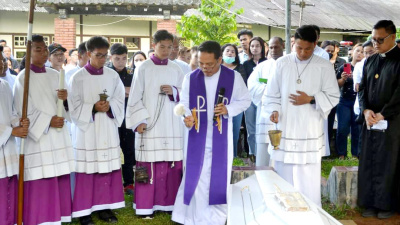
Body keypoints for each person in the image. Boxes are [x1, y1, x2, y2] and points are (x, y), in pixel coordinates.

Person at [172, 40, 251, 225]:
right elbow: (182, 104)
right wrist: (186, 118)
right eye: (201, 63)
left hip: (220, 135)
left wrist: (228, 109)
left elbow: (245, 100)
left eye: (209, 64)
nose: (205, 68)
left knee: (218, 176)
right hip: (196, 136)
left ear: (220, 60)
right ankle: (191, 216)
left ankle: (216, 217)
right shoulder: (191, 78)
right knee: (196, 175)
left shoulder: (233, 77)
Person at [262, 25, 340, 206]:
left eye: (308, 49)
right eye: (299, 48)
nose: (303, 53)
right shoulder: (282, 63)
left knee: (308, 174)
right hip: (285, 124)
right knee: (283, 171)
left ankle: (310, 211)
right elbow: (271, 94)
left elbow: (334, 96)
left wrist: (311, 99)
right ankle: (284, 210)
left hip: (309, 126)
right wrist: (273, 110)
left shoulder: (323, 66)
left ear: (315, 45)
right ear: (293, 44)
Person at [13, 34, 75, 225]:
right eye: (38, 49)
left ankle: (60, 216)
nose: (43, 52)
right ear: (28, 52)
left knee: (58, 175)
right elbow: (22, 109)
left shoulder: (56, 75)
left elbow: (68, 108)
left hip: (58, 135)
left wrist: (65, 100)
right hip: (39, 137)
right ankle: (41, 218)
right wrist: (48, 121)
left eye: (45, 49)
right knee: (41, 177)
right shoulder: (23, 78)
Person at [126, 30, 184, 218]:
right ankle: (145, 206)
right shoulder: (144, 68)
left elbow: (186, 95)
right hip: (150, 123)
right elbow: (134, 96)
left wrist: (175, 91)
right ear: (154, 44)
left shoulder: (176, 68)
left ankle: (168, 205)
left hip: (172, 124)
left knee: (171, 165)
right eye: (162, 46)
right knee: (149, 166)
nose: (166, 51)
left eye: (170, 47)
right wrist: (139, 121)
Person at [68, 36, 126, 224]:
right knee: (87, 170)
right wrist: (93, 107)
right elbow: (73, 106)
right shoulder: (78, 78)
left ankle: (105, 208)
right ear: (87, 54)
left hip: (107, 127)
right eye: (98, 55)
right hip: (87, 131)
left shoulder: (112, 76)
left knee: (105, 168)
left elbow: (119, 99)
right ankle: (84, 211)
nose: (102, 59)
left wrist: (110, 107)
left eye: (105, 56)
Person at [358, 20, 400, 219]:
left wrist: (384, 113)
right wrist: (366, 110)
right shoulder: (370, 60)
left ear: (392, 37)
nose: (375, 44)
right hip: (370, 121)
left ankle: (387, 204)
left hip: (392, 122)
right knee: (368, 161)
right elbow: (363, 89)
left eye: (380, 40)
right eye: (373, 39)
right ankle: (369, 202)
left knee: (388, 162)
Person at [248, 37, 284, 166]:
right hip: (265, 113)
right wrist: (269, 89)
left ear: (283, 46)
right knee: (264, 148)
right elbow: (252, 85)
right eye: (271, 47)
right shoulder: (262, 66)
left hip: (283, 112)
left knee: (281, 146)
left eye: (276, 47)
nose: (273, 50)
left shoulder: (290, 64)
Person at [108, 43, 136, 195]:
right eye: (117, 58)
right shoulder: (106, 74)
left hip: (128, 117)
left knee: (129, 151)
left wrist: (123, 92)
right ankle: (112, 181)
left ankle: (129, 182)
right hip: (110, 118)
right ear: (111, 57)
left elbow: (135, 92)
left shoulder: (132, 75)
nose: (120, 62)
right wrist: (123, 91)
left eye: (124, 58)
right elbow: (108, 94)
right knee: (112, 150)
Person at [335, 43, 364, 159]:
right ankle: (341, 154)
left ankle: (355, 154)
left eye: (362, 51)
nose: (360, 53)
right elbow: (337, 84)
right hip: (344, 101)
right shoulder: (344, 66)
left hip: (358, 101)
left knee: (356, 129)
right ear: (352, 52)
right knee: (342, 128)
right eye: (357, 51)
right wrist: (343, 78)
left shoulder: (365, 67)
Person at [243, 37, 267, 162]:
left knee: (262, 127)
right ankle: (253, 153)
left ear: (262, 47)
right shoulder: (246, 64)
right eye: (252, 46)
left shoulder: (267, 63)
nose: (255, 48)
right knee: (251, 129)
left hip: (264, 100)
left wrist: (260, 81)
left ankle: (263, 154)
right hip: (249, 100)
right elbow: (245, 81)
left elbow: (267, 80)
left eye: (257, 46)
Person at [221, 43, 246, 158]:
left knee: (234, 133)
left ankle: (233, 158)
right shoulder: (217, 69)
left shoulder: (240, 69)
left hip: (236, 105)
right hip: (220, 106)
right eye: (227, 51)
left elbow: (243, 88)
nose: (230, 53)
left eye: (232, 52)